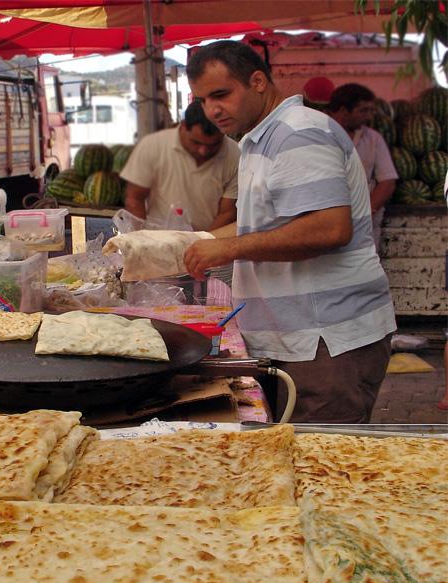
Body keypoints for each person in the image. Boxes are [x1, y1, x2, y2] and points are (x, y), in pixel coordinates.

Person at [183, 41, 397, 424]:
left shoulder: (297, 133)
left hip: (325, 340)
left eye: (221, 94)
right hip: (298, 339)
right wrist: (197, 243)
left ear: (258, 81)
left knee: (323, 468)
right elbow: (263, 224)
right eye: (202, 99)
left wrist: (228, 249)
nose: (212, 109)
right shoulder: (260, 138)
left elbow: (329, 228)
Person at [119, 101, 239, 233]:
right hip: (158, 241)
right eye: (196, 142)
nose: (203, 151)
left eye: (213, 145)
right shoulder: (152, 145)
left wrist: (203, 244)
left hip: (207, 242)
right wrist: (139, 239)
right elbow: (135, 199)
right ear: (183, 126)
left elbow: (227, 213)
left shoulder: (236, 155)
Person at [328, 83, 398, 253]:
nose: (369, 116)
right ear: (344, 111)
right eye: (363, 111)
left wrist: (366, 212)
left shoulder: (373, 139)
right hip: (329, 225)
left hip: (366, 228)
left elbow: (387, 181)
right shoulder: (320, 136)